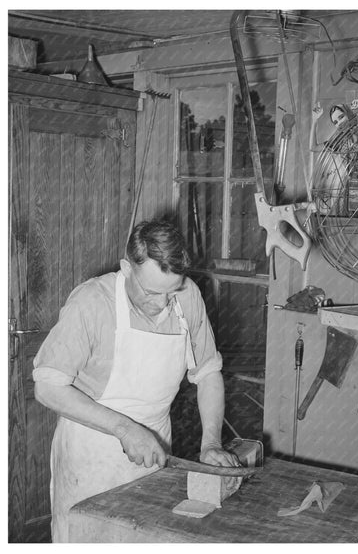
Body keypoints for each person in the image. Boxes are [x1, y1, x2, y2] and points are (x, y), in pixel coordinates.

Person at [33, 218, 240, 542]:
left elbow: (209, 373)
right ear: (127, 269)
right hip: (91, 458)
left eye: (170, 292)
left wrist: (210, 442)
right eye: (151, 292)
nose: (161, 304)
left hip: (154, 451)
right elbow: (47, 387)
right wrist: (124, 429)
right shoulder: (92, 302)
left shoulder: (187, 296)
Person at [309, 102, 358, 177]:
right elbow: (313, 147)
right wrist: (314, 121)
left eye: (341, 117)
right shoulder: (338, 140)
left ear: (349, 114)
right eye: (335, 122)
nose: (339, 123)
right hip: (348, 185)